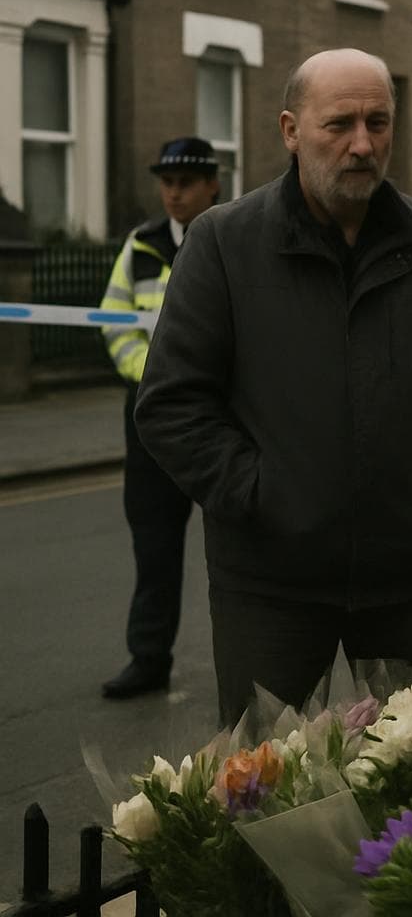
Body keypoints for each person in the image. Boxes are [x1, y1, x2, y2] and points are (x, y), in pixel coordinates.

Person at [135, 48, 412, 727]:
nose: (363, 144)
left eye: (379, 122)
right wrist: (262, 494)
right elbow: (172, 404)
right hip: (270, 586)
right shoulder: (223, 243)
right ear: (290, 130)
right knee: (267, 798)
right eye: (339, 124)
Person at [98, 137, 221, 699]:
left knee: (236, 543)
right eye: (167, 183)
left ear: (211, 184)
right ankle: (148, 658)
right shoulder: (141, 245)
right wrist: (146, 375)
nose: (174, 193)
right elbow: (114, 319)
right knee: (153, 541)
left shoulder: (231, 236)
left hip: (220, 415)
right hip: (150, 414)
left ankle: (248, 658)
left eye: (186, 183)